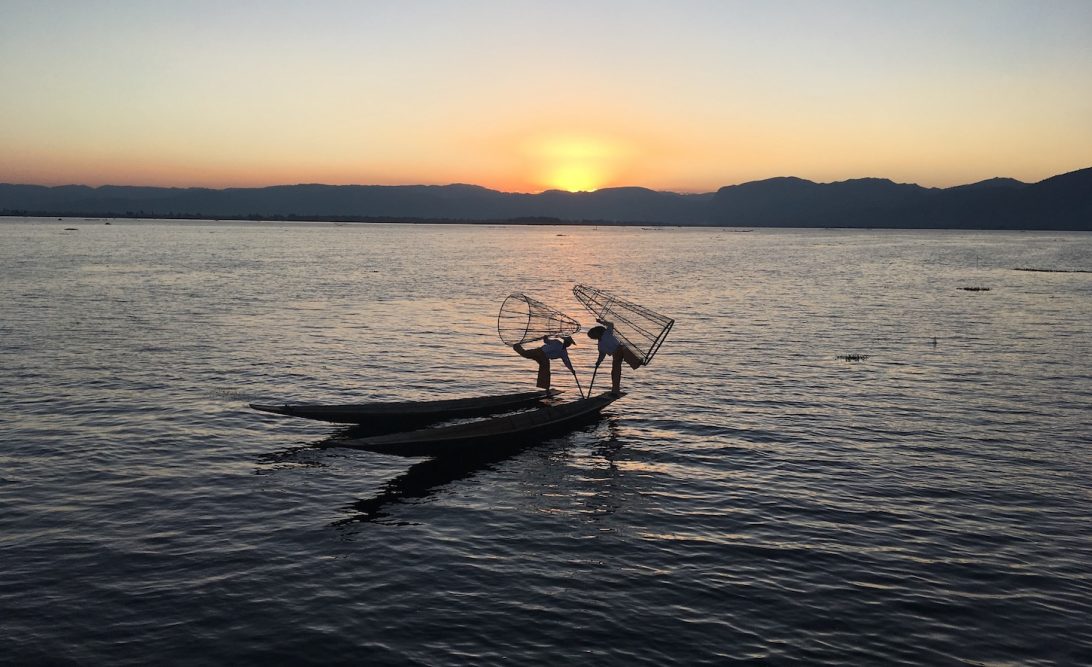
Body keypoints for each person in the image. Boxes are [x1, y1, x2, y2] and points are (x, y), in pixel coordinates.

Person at [586, 318, 641, 394]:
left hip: (621, 349)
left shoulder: (607, 333)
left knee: (626, 353)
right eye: (592, 337)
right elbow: (602, 355)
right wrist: (598, 362)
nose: (593, 337)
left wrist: (601, 322)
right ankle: (615, 390)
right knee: (615, 373)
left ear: (597, 332)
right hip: (615, 355)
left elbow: (611, 324)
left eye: (593, 335)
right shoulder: (600, 345)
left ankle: (637, 362)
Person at [513, 335, 577, 390]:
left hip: (545, 358)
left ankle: (546, 389)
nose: (568, 344)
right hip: (540, 351)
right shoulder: (557, 342)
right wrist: (545, 338)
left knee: (546, 371)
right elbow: (547, 341)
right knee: (525, 354)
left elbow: (567, 362)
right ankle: (516, 346)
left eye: (569, 344)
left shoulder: (564, 353)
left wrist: (572, 370)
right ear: (564, 341)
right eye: (567, 342)